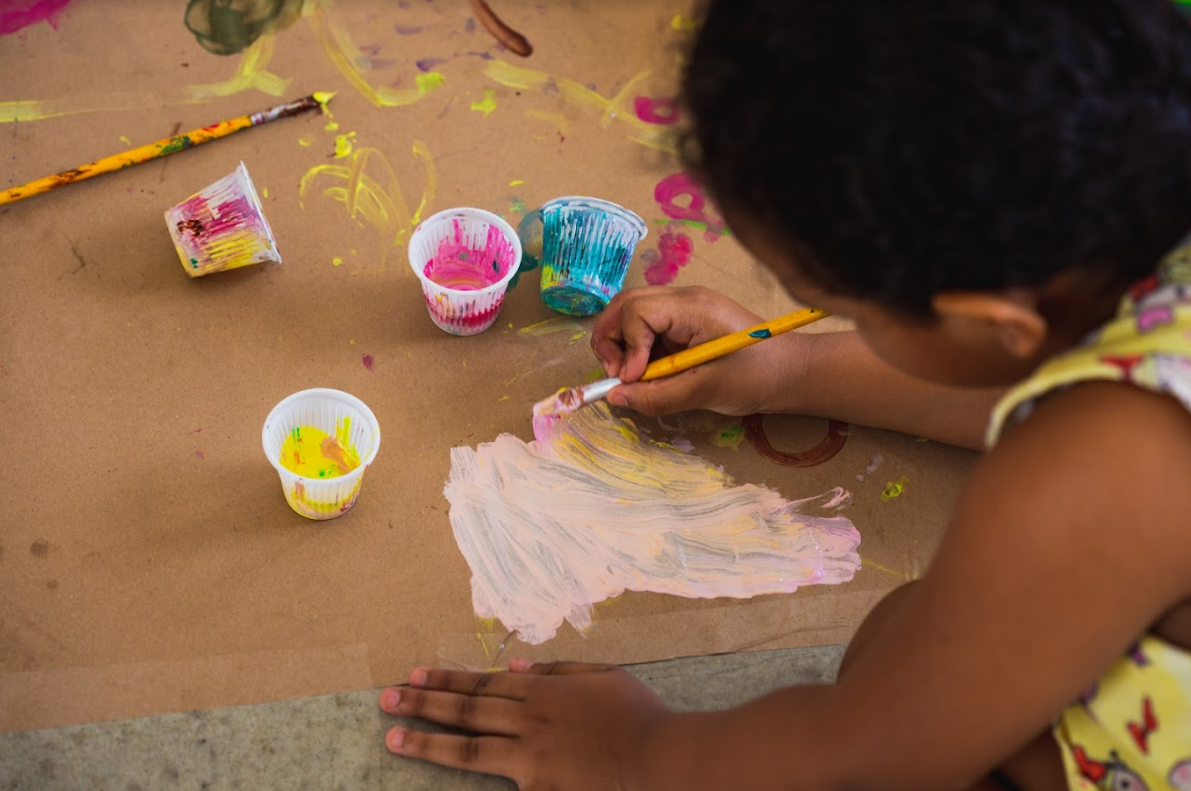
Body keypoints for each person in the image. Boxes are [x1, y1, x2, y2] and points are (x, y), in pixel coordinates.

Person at [377, 1, 1191, 787]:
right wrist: (788, 369)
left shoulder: (1103, 472)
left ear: (992, 319)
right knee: (908, 632)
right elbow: (1025, 378)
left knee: (897, 675)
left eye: (844, 305)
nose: (821, 313)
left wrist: (635, 754)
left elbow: (864, 756)